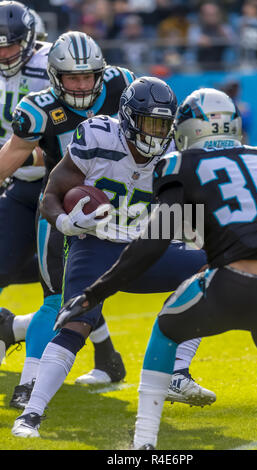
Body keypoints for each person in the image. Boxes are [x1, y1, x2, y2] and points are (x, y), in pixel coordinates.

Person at [54, 87, 257, 450]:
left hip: (230, 279)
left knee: (167, 330)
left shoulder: (180, 165)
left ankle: (144, 441)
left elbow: (151, 245)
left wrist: (94, 294)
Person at [11, 77, 217, 438]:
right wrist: (66, 223)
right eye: (150, 122)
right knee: (76, 324)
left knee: (210, 269)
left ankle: (178, 373)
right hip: (95, 244)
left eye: (164, 123)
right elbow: (51, 195)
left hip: (146, 245)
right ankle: (30, 414)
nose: (158, 132)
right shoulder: (98, 136)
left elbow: (192, 212)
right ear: (127, 118)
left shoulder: (174, 152)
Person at [0, 30, 136, 409]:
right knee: (57, 297)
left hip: (122, 211)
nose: (81, 84)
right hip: (60, 208)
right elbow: (9, 158)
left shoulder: (123, 85)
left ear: (101, 72)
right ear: (55, 77)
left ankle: (172, 372)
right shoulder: (38, 108)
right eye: (72, 77)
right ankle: (29, 384)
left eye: (88, 76)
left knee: (96, 295)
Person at [0, 1, 50, 354]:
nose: (4, 55)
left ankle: (14, 334)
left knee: (64, 281)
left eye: (10, 45)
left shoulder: (54, 65)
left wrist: (23, 157)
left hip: (62, 184)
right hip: (19, 183)